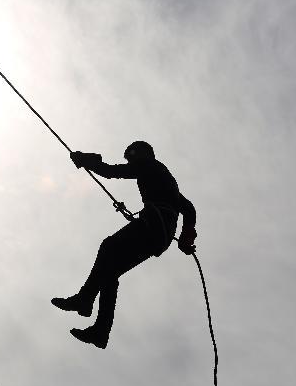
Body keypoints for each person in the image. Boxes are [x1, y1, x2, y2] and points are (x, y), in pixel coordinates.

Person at [51, 141, 197, 349]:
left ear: (141, 153)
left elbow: (112, 172)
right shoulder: (163, 176)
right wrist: (185, 237)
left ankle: (84, 299)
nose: (129, 160)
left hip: (154, 224)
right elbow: (189, 209)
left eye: (131, 156)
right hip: (159, 234)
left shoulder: (150, 165)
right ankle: (100, 332)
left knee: (108, 246)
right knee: (109, 273)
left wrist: (87, 160)